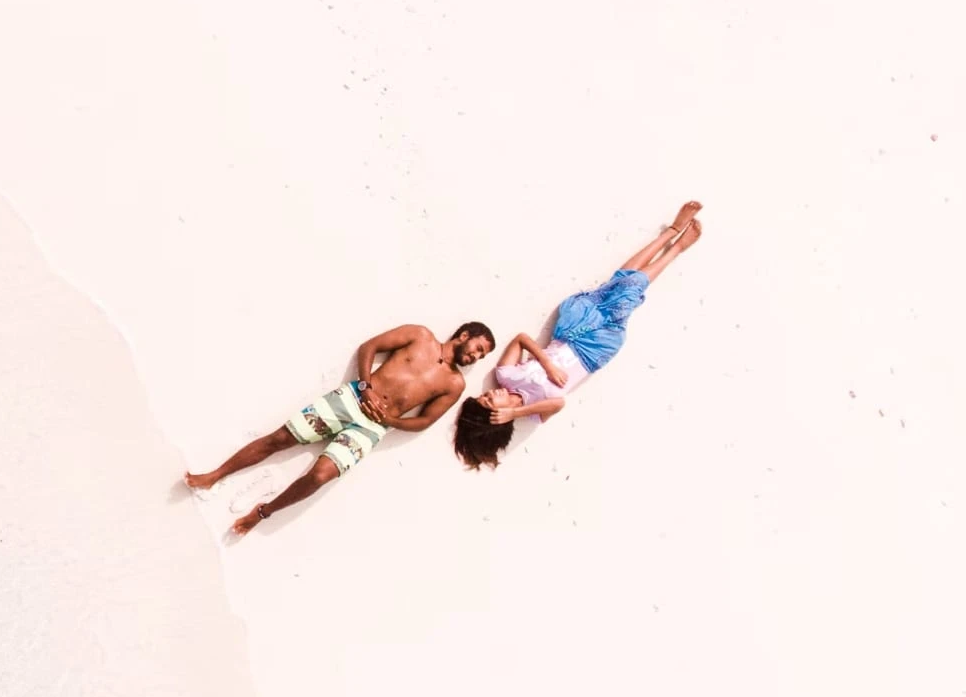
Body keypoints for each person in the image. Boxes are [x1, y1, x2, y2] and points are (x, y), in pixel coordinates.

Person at [454, 201, 704, 469]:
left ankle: (673, 234)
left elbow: (521, 339)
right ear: (498, 415)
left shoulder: (506, 376)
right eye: (490, 400)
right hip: (593, 350)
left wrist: (546, 363)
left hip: (570, 333)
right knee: (627, 290)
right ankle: (675, 244)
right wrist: (515, 412)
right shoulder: (534, 413)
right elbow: (559, 403)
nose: (491, 393)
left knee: (617, 283)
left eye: (485, 395)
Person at [186, 321, 497, 535]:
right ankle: (215, 475)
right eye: (478, 348)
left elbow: (424, 421)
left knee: (320, 476)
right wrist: (365, 385)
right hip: (351, 398)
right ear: (465, 334)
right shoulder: (420, 335)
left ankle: (262, 512)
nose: (476, 356)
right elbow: (370, 346)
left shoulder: (454, 383)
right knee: (280, 439)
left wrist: (389, 421)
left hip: (372, 428)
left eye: (482, 355)